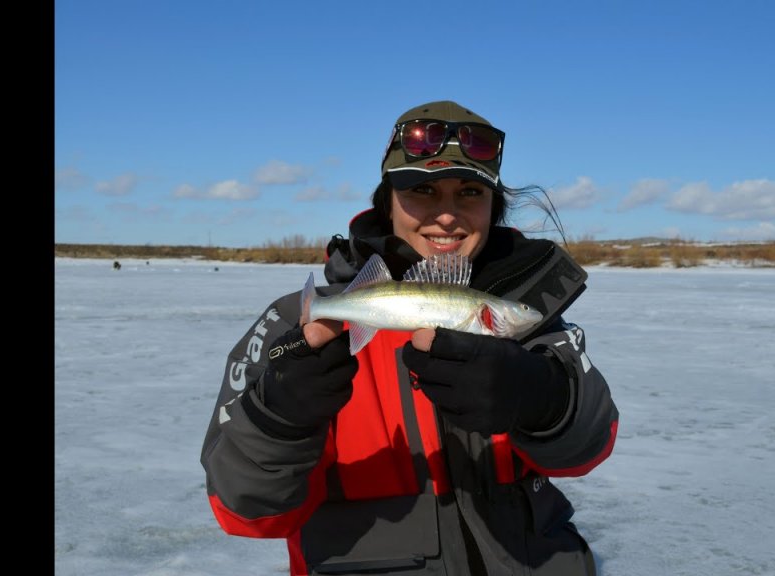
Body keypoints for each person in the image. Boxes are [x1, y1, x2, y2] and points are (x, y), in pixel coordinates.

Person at [201, 100, 619, 576]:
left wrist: (541, 397)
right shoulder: (293, 325)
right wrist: (279, 418)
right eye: (422, 190)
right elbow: (243, 510)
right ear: (387, 202)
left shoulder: (524, 316)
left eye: (469, 192)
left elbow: (591, 445)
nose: (447, 216)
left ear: (492, 207)